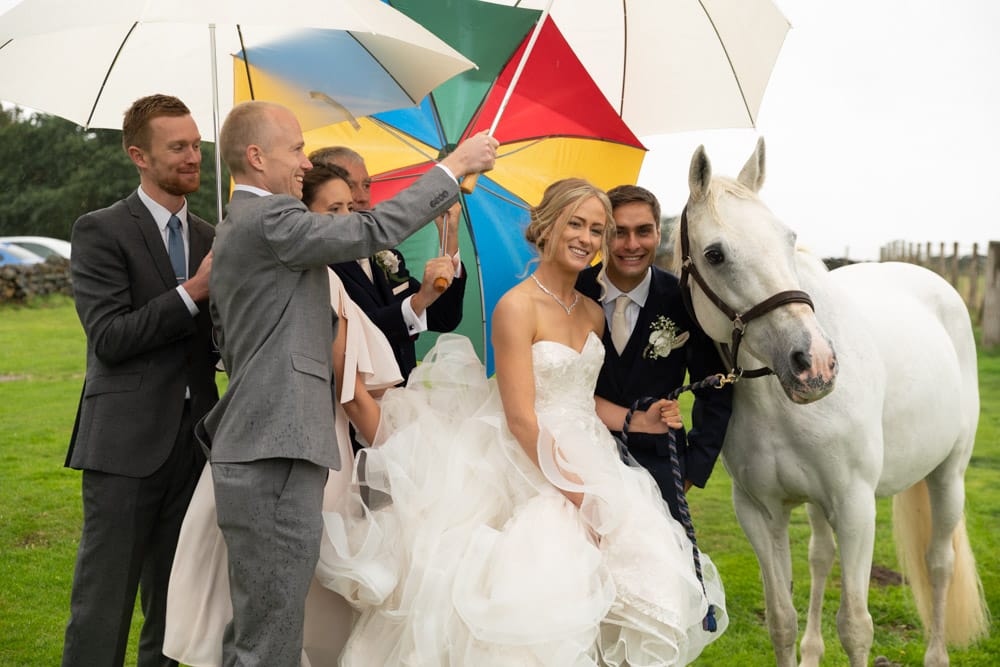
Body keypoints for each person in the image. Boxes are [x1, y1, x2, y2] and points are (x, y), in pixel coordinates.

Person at [318, 178, 728, 665]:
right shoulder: (516, 307)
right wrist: (582, 498)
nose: (587, 238)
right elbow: (521, 418)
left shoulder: (592, 313)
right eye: (576, 224)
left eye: (596, 229)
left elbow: (583, 398)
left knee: (639, 584)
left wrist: (639, 421)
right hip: (532, 468)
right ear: (547, 227)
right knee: (546, 601)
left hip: (598, 458)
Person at [201, 100, 496, 666]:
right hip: (274, 451)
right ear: (256, 156)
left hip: (265, 446)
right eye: (296, 148)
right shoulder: (270, 220)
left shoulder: (244, 227)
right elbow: (371, 228)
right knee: (270, 633)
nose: (305, 161)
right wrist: (454, 167)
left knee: (263, 623)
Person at [163, 163, 400, 666]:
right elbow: (351, 393)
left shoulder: (273, 267)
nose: (344, 219)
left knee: (260, 609)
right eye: (331, 211)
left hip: (276, 443)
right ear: (303, 221)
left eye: (348, 208)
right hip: (301, 448)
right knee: (294, 609)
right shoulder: (320, 279)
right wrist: (401, 458)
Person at [62, 94, 218, 667]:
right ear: (139, 156)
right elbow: (110, 338)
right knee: (103, 606)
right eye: (178, 147)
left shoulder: (213, 237)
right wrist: (193, 292)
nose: (193, 157)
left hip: (197, 442)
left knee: (176, 608)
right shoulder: (100, 230)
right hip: (124, 445)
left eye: (196, 145)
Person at [575, 184, 732, 521]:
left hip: (661, 468)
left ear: (659, 233)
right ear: (602, 235)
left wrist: (691, 470)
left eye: (643, 231)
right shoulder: (573, 291)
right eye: (619, 232)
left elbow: (715, 390)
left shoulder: (685, 299)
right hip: (578, 464)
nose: (632, 244)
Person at [309, 146, 466, 381]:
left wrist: (449, 237)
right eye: (350, 185)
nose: (362, 197)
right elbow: (353, 336)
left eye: (367, 185)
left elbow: (444, 317)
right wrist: (419, 300)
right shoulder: (318, 265)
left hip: (402, 394)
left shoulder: (386, 256)